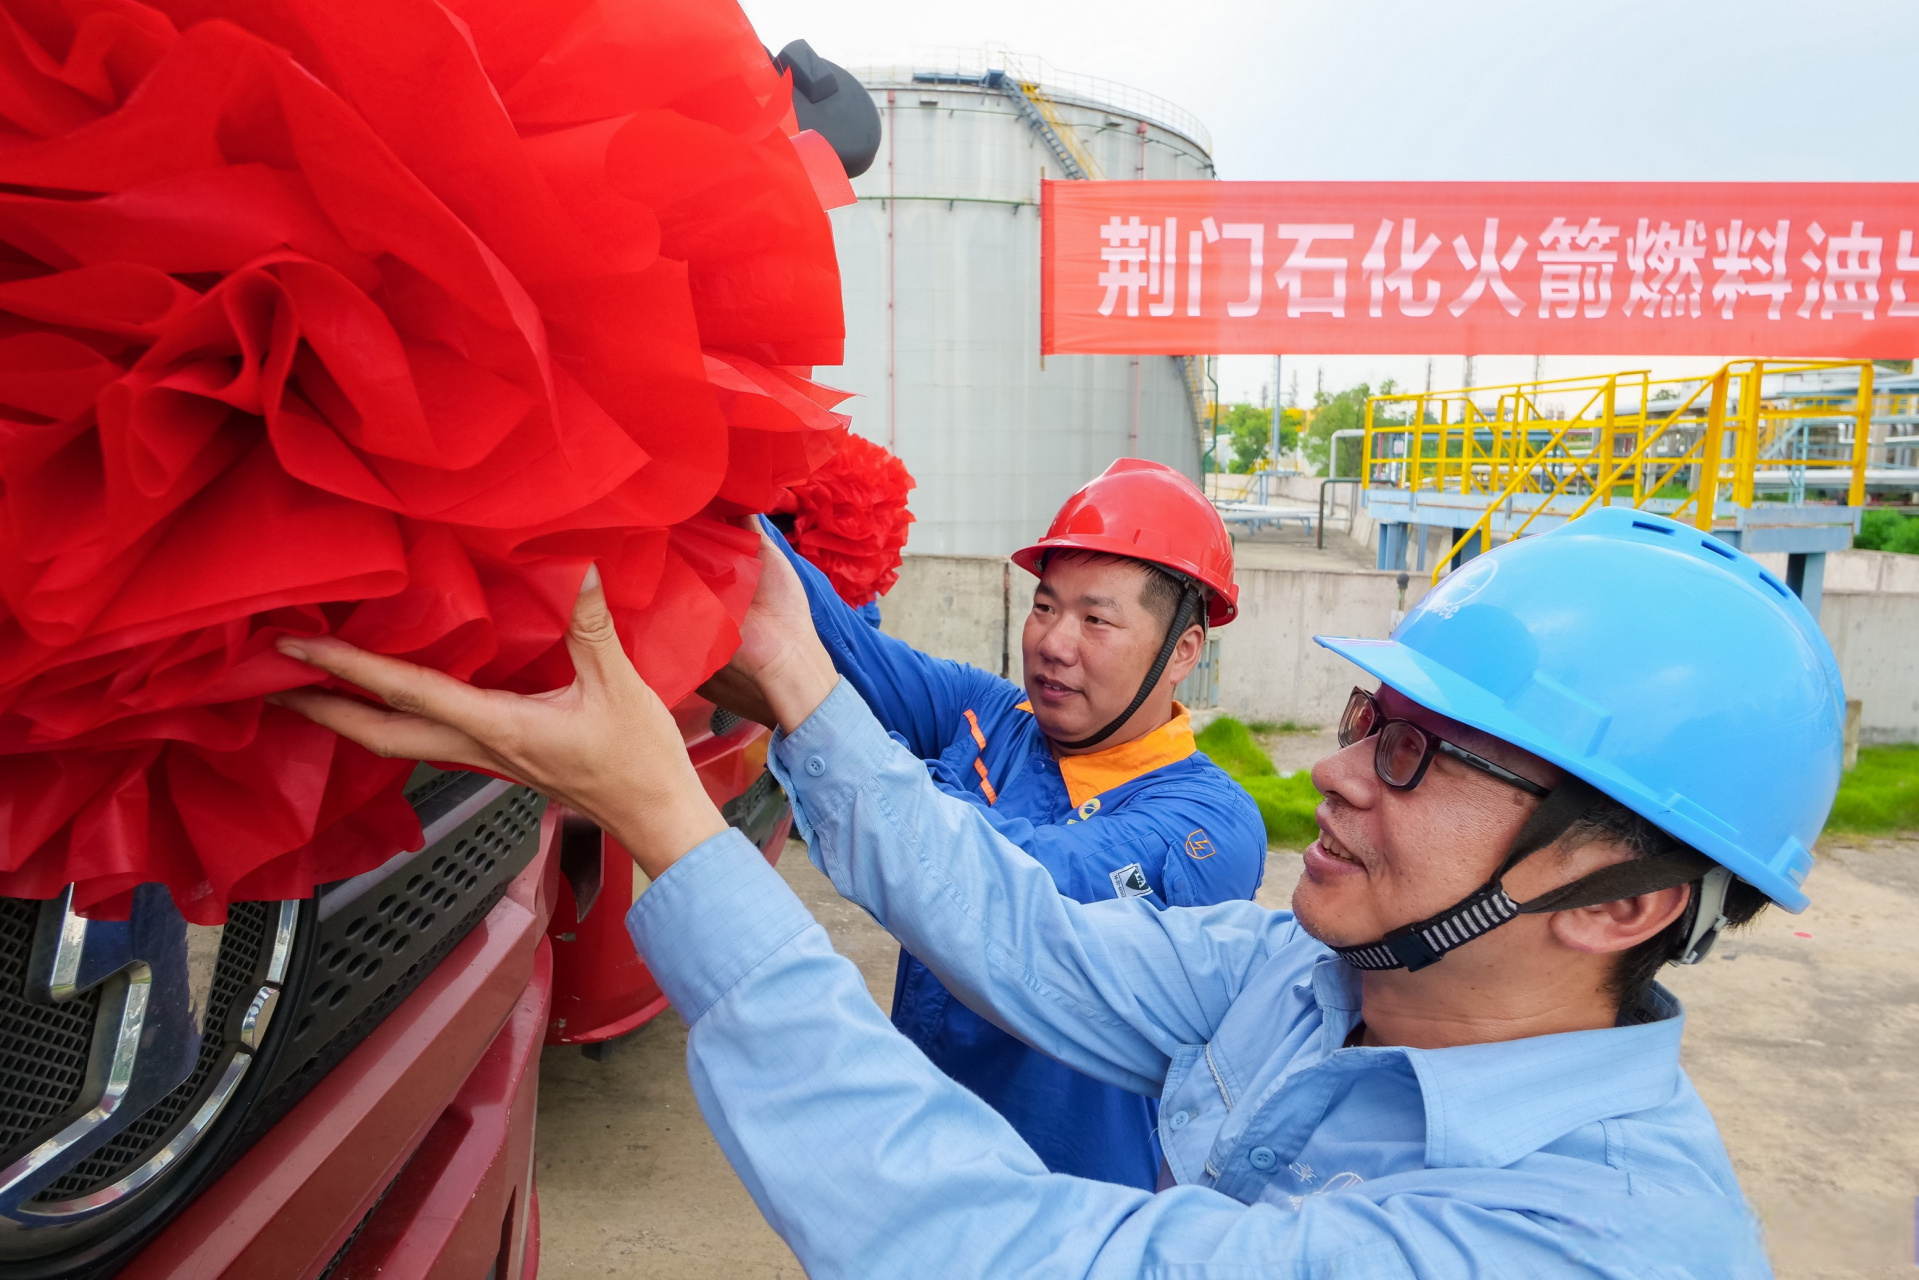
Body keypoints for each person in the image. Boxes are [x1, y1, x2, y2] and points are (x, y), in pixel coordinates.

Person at [270, 506, 1834, 1276]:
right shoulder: (1307, 977)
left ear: (1619, 899)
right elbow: (1024, 936)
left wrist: (668, 823)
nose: (1341, 775)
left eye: (1424, 756)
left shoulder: (1582, 1244)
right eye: (1368, 717)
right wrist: (775, 621)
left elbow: (1016, 1252)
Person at [704, 457, 1266, 1189]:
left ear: (1181, 651)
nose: (1054, 643)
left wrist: (897, 767)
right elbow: (839, 646)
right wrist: (729, 502)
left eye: (1095, 619)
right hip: (930, 1167)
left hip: (1079, 1207)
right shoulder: (987, 714)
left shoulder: (1206, 824)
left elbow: (1027, 883)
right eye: (1044, 606)